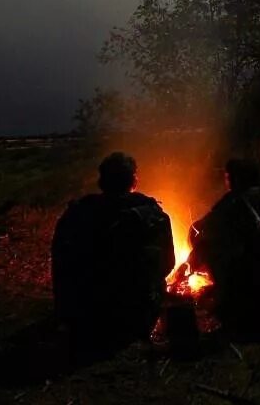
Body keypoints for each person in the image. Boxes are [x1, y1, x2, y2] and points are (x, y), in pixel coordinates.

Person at [49, 151, 176, 363]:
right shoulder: (152, 214)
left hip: (85, 315)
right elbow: (167, 264)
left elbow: (61, 265)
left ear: (101, 180)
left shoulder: (77, 214)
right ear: (133, 179)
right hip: (136, 313)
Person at [187, 157, 260, 340]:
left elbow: (205, 232)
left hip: (254, 290)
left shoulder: (234, 204)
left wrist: (196, 252)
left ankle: (232, 305)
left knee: (207, 248)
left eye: (227, 177)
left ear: (233, 179)